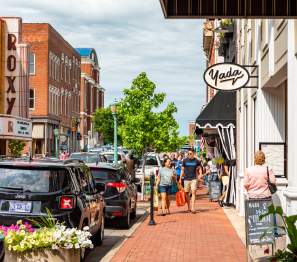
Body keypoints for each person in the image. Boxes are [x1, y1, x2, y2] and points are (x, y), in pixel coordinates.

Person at [180, 149, 202, 214]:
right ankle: (189, 207)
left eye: (190, 153)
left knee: (193, 192)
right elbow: (182, 170)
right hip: (186, 179)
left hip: (194, 179)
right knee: (186, 193)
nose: (189, 155)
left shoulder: (196, 161)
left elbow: (200, 168)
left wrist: (200, 174)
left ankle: (193, 208)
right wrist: (180, 178)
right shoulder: (184, 160)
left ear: (193, 154)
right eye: (188, 154)